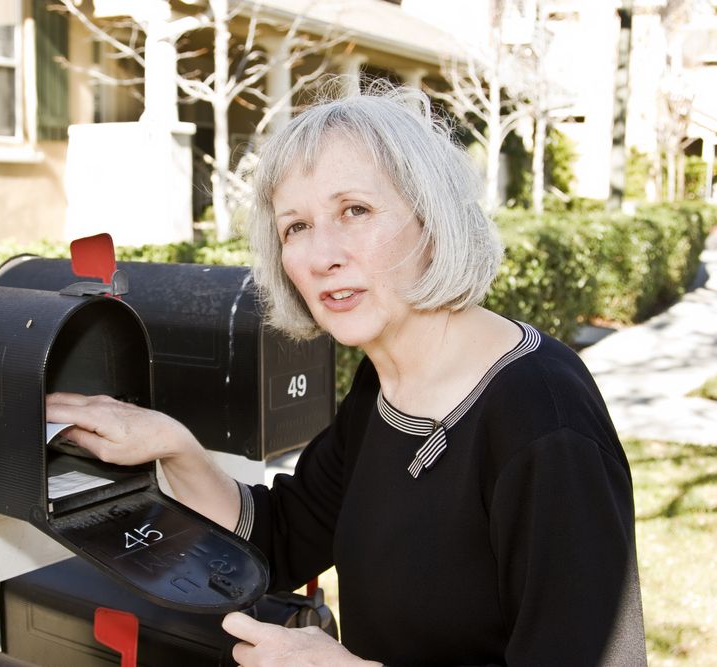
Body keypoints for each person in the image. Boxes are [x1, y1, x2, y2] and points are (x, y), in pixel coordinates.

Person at [46, 83, 647, 666]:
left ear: (433, 223)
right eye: (296, 227)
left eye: (354, 210)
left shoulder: (544, 422)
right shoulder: (385, 379)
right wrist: (173, 446)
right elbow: (279, 540)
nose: (320, 254)